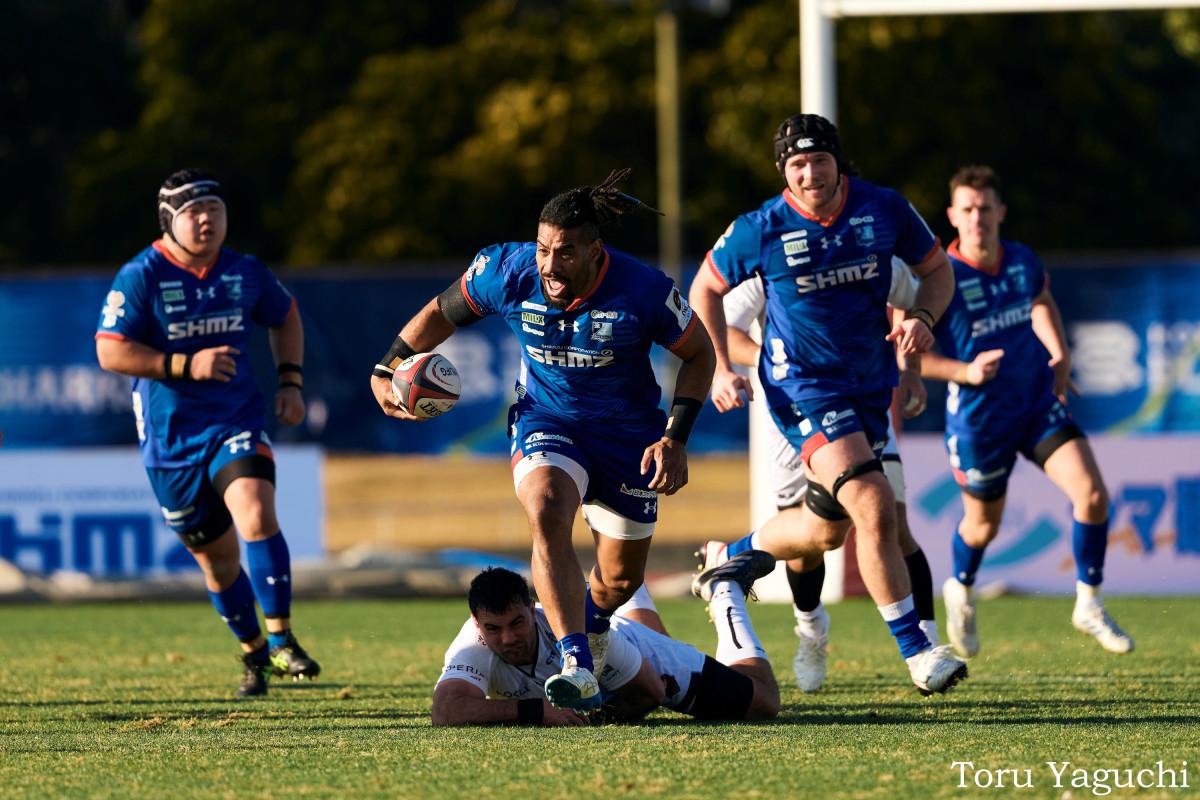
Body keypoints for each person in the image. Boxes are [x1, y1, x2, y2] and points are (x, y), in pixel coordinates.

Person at [371, 169, 715, 713]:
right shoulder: (506, 270)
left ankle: (595, 629)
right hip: (546, 418)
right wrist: (385, 365)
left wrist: (675, 438)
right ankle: (576, 663)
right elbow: (441, 312)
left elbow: (700, 354)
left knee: (621, 580)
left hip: (628, 436)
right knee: (547, 505)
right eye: (543, 249)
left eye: (566, 253)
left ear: (596, 251)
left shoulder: (643, 289)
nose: (550, 266)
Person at [688, 113, 967, 695]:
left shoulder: (882, 208)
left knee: (823, 533)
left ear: (838, 162)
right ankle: (917, 653)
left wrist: (921, 318)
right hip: (802, 389)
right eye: (797, 165)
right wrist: (721, 365)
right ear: (783, 173)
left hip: (868, 387)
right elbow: (704, 289)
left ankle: (730, 554)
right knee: (874, 502)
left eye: (819, 160)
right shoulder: (761, 227)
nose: (810, 174)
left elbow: (937, 271)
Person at [95, 169, 320, 696]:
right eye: (193, 212)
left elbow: (285, 315)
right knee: (218, 564)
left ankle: (283, 638)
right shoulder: (142, 275)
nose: (206, 220)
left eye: (214, 210)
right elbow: (109, 350)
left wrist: (290, 382)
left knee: (257, 512)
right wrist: (185, 366)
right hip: (171, 443)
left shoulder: (244, 271)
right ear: (169, 220)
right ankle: (254, 654)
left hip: (235, 421)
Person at [923, 165, 1133, 657]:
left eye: (986, 208)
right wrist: (966, 372)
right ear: (954, 216)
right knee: (983, 527)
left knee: (1093, 494)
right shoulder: (941, 278)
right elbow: (912, 358)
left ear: (1001, 212)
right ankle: (962, 588)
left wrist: (1059, 356)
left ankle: (1088, 602)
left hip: (1036, 402)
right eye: (968, 209)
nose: (978, 218)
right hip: (980, 421)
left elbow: (1040, 301)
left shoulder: (1020, 260)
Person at [700, 264, 940, 693]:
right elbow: (724, 321)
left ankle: (927, 646)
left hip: (865, 405)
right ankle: (810, 629)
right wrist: (780, 358)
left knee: (891, 518)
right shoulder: (769, 249)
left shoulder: (866, 235)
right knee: (815, 539)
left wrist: (913, 370)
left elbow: (914, 297)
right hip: (795, 409)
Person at [431, 556, 779, 726]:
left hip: (636, 654)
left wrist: (592, 719)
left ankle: (724, 589)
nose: (507, 638)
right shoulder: (472, 642)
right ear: (478, 624)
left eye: (518, 623)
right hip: (612, 645)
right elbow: (446, 710)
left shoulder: (580, 635)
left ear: (533, 609)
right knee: (635, 624)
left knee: (763, 703)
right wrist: (540, 711)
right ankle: (620, 589)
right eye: (493, 629)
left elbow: (650, 692)